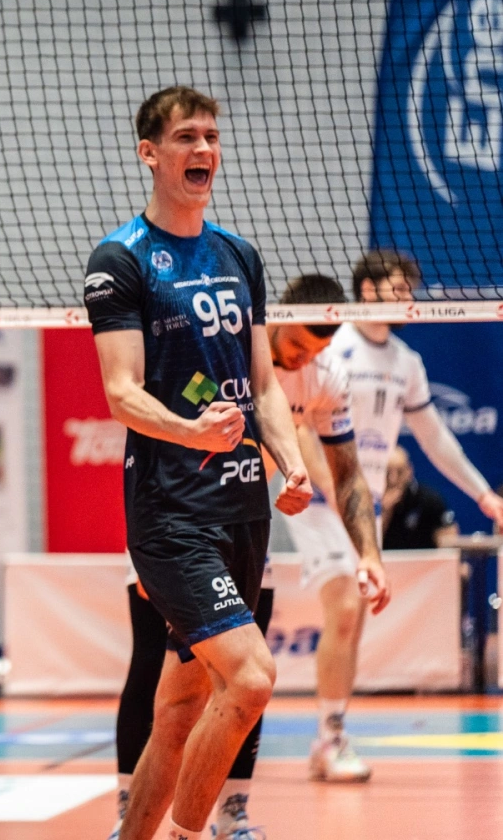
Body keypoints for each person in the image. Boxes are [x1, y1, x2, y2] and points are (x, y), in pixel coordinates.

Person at [84, 86, 311, 840]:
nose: (204, 150)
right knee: (251, 679)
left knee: (181, 709)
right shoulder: (120, 260)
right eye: (187, 137)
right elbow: (121, 393)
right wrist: (192, 431)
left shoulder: (239, 254)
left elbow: (264, 383)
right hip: (171, 513)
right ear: (149, 153)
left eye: (211, 136)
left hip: (243, 509)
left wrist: (290, 459)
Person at [111, 273, 391, 840]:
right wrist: (152, 550)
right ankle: (134, 812)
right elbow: (159, 434)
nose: (303, 356)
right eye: (297, 342)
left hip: (243, 535)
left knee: (205, 694)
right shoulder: (217, 356)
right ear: (275, 317)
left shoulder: (323, 378)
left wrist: (369, 552)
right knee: (193, 675)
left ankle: (229, 812)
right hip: (174, 527)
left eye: (316, 348)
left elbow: (347, 473)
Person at [282, 249, 503, 780]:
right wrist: (330, 488)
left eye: (410, 289)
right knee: (344, 605)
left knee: (353, 619)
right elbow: (301, 422)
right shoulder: (333, 344)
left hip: (366, 502)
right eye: (397, 288)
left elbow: (435, 437)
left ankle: (329, 734)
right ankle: (330, 739)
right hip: (320, 496)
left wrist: (483, 495)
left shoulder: (406, 362)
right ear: (367, 290)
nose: (407, 298)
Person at [381, 446, 459, 549]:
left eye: (399, 472)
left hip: (425, 559)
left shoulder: (429, 500)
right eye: (387, 472)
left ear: (409, 471)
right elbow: (367, 545)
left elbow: (449, 542)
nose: (393, 479)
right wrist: (384, 511)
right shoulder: (369, 500)